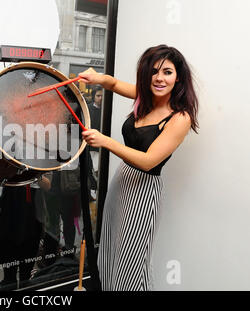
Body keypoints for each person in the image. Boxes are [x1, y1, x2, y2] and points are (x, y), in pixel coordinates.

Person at [79, 44, 199, 291]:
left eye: (167, 72)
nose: (159, 78)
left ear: (178, 78)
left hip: (143, 193)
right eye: (154, 71)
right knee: (111, 253)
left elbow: (148, 161)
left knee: (132, 264)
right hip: (121, 183)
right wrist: (96, 77)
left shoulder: (180, 117)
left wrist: (105, 141)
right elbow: (112, 84)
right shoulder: (145, 98)